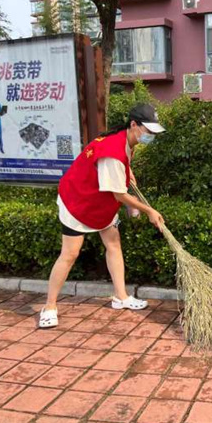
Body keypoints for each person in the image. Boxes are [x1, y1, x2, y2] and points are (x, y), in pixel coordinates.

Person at [39, 103, 166, 328]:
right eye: (148, 131)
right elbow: (119, 195)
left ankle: (121, 297)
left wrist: (129, 175)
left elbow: (122, 172)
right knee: (70, 254)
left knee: (113, 244)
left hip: (100, 203)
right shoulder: (113, 153)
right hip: (79, 202)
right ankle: (49, 306)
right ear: (134, 125)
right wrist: (149, 211)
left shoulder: (125, 138)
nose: (150, 136)